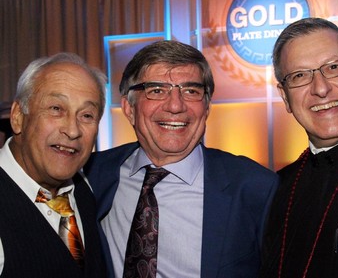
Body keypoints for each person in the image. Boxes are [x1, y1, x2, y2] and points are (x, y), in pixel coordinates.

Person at [83, 40, 279, 278]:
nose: (176, 105)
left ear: (206, 108)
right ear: (129, 108)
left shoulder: (255, 187)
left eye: (191, 91)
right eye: (156, 90)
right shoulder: (91, 174)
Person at [260, 17, 338, 278]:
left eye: (334, 67)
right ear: (285, 96)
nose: (321, 89)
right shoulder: (276, 187)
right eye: (300, 76)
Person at [0, 52, 108, 277]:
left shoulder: (86, 188)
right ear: (18, 117)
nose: (72, 130)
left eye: (87, 115)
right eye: (56, 109)